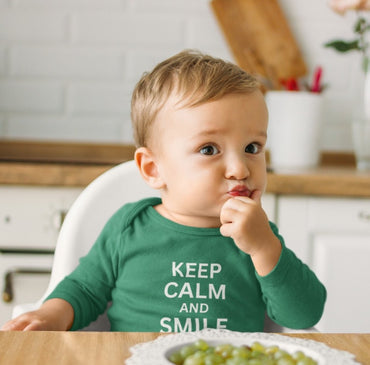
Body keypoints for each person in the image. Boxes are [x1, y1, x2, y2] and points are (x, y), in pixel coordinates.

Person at [1, 50, 326, 332]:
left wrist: (265, 248)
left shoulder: (257, 237)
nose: (240, 169)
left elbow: (303, 316)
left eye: (252, 147)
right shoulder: (129, 227)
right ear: (153, 169)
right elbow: (85, 290)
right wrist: (50, 315)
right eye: (210, 149)